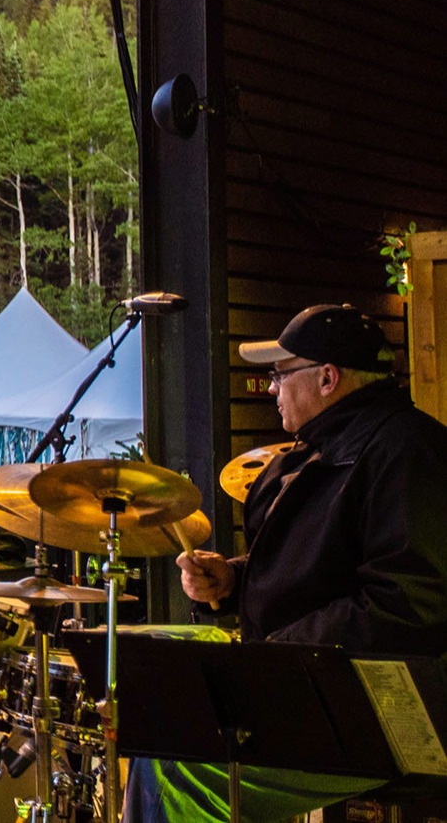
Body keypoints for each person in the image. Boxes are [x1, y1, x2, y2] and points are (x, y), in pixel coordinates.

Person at [136, 305, 447, 823]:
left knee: (181, 766)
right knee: (165, 700)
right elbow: (330, 571)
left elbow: (407, 605)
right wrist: (235, 580)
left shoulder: (410, 453)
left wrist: (275, 657)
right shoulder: (310, 455)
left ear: (328, 378)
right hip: (317, 686)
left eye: (280, 374)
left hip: (391, 709)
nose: (271, 387)